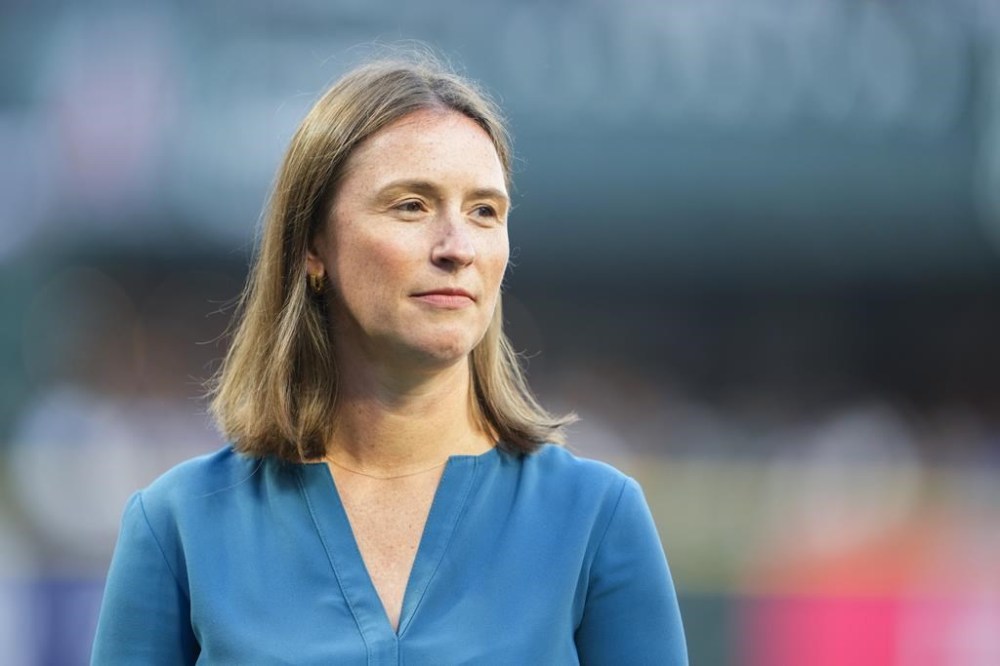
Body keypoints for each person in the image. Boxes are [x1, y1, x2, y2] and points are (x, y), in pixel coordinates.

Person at [91, 53, 688, 665]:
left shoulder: (595, 517)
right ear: (312, 244)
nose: (458, 248)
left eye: (485, 211)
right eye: (412, 205)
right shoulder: (179, 526)